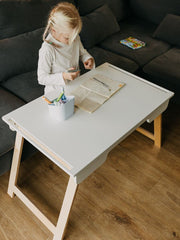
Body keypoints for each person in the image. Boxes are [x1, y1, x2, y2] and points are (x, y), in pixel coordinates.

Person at [37, 2, 95, 94]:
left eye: (74, 36)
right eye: (67, 38)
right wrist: (63, 76)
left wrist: (87, 58)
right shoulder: (47, 49)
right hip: (56, 93)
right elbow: (42, 78)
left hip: (75, 86)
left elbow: (82, 52)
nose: (71, 41)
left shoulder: (73, 37)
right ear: (54, 30)